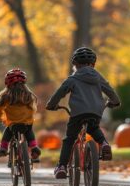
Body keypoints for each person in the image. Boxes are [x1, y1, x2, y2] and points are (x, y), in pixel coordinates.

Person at [46, 47, 120, 179]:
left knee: (69, 139)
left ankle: (62, 166)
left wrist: (52, 105)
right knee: (94, 128)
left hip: (78, 113)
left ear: (75, 64)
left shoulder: (73, 79)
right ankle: (104, 143)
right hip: (96, 111)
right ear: (93, 64)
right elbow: (110, 91)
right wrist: (114, 102)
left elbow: (60, 92)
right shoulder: (98, 77)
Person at [0, 69, 41, 163]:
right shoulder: (29, 95)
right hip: (26, 122)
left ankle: (3, 147)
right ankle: (34, 146)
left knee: (8, 131)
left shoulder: (5, 96)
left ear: (7, 83)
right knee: (29, 131)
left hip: (13, 123)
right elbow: (33, 108)